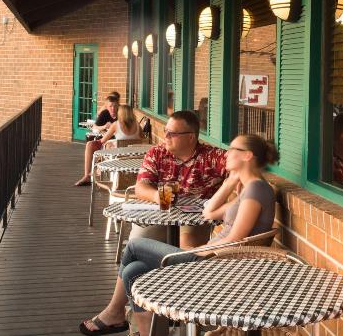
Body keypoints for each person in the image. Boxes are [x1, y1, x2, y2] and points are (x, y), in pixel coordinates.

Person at [79, 134, 279, 336]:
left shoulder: (257, 189)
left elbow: (235, 240)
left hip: (215, 263)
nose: (226, 153)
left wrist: (199, 250)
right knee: (133, 271)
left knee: (134, 247)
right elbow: (208, 213)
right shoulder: (248, 189)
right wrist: (230, 182)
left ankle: (114, 312)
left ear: (247, 156)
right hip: (212, 258)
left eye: (233, 149)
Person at [131, 110, 227, 247]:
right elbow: (140, 187)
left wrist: (233, 182)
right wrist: (156, 196)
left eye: (172, 133)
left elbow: (241, 162)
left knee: (185, 248)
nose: (166, 136)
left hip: (194, 219)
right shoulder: (157, 153)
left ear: (191, 137)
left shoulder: (211, 157)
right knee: (137, 243)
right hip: (160, 214)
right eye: (166, 131)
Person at [74, 94, 119, 186]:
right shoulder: (105, 113)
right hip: (105, 140)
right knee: (90, 144)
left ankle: (100, 173)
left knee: (106, 147)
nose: (113, 108)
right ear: (107, 106)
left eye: (115, 106)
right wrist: (104, 126)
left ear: (118, 105)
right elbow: (95, 126)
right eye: (110, 106)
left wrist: (112, 130)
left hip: (115, 143)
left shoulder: (122, 114)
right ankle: (87, 176)